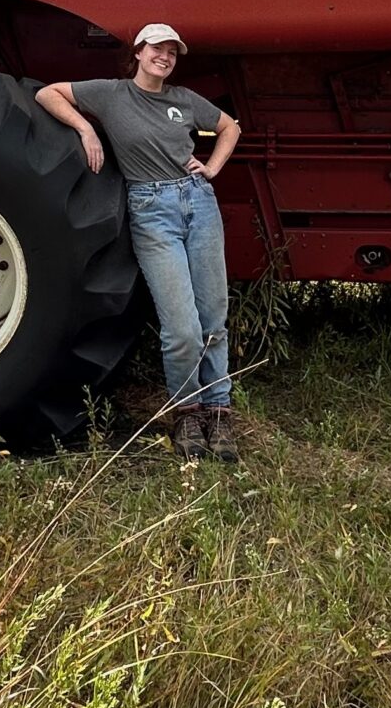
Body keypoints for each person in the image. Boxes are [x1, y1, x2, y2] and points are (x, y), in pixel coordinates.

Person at [37, 24, 244, 461]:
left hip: (198, 203)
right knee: (182, 329)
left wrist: (212, 168)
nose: (164, 57)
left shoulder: (183, 100)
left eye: (172, 52)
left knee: (213, 320)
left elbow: (230, 127)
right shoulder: (111, 95)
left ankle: (220, 410)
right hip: (150, 210)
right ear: (139, 51)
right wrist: (86, 130)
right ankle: (186, 410)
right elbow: (48, 94)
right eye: (158, 48)